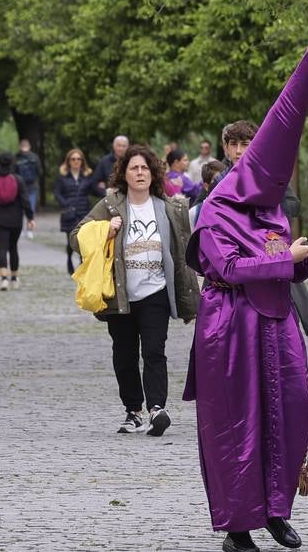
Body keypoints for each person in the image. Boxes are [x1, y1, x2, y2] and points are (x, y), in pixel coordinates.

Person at [183, 12, 308, 552]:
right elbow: (229, 269)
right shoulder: (213, 212)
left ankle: (277, 508)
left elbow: (288, 262)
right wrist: (287, 259)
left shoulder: (271, 209)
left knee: (291, 409)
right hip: (229, 328)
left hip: (277, 324)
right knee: (238, 423)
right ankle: (238, 524)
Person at [70, 144, 199, 435]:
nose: (139, 173)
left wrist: (189, 298)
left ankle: (157, 409)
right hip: (121, 295)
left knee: (155, 351)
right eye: (133, 168)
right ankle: (134, 410)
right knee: (125, 354)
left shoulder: (169, 208)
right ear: (124, 174)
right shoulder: (111, 205)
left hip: (157, 292)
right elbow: (76, 237)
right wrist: (106, 230)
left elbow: (183, 255)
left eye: (144, 168)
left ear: (153, 173)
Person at [203, 119, 308, 337]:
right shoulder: (219, 183)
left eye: (245, 144)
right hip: (234, 282)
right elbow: (222, 255)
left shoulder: (270, 180)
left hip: (270, 257)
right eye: (233, 144)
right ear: (226, 147)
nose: (239, 150)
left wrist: (267, 218)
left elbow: (292, 204)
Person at [0, 153, 36, 290]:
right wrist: (30, 217)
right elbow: (25, 200)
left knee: (2, 249)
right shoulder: (18, 179)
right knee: (13, 248)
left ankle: (4, 278)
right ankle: (15, 278)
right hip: (15, 219)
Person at [53, 149, 96, 275]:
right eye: (73, 159)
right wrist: (65, 203)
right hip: (69, 213)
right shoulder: (63, 178)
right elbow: (57, 193)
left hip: (84, 212)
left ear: (82, 161)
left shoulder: (87, 177)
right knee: (70, 241)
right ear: (68, 161)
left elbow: (94, 190)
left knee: (83, 240)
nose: (76, 161)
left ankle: (82, 263)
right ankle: (69, 259)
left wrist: (107, 191)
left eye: (78, 159)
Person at [15, 139, 42, 235]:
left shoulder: (16, 157)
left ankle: (21, 228)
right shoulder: (35, 157)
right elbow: (39, 172)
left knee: (20, 208)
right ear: (29, 147)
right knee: (31, 207)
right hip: (33, 186)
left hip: (20, 186)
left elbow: (14, 172)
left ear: (20, 147)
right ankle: (30, 229)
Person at [189, 160, 224, 229]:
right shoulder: (194, 213)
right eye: (217, 180)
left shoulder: (234, 209)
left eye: (224, 179)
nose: (222, 184)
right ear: (206, 186)